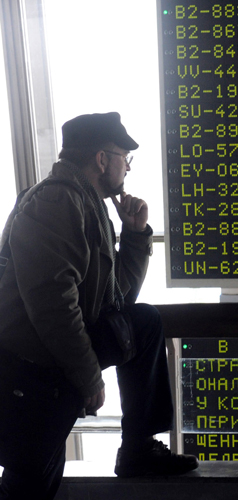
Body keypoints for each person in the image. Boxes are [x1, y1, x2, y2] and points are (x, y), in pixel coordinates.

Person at [0, 112, 197, 499]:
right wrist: (89, 376)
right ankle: (137, 448)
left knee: (142, 323)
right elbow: (52, 304)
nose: (128, 168)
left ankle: (138, 448)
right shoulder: (58, 201)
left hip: (49, 361)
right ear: (102, 160)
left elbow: (116, 301)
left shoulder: (86, 204)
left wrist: (136, 235)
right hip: (32, 373)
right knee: (29, 487)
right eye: (125, 157)